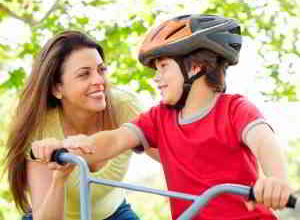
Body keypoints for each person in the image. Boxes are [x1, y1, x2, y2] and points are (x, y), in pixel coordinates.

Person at [32, 15, 293, 220]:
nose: (156, 77)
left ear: (194, 67)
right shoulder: (158, 118)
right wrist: (67, 147)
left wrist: (276, 180)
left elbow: (264, 141)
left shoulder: (234, 109)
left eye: (163, 67)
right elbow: (112, 141)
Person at [4, 30, 160, 220]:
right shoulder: (40, 129)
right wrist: (59, 177)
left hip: (114, 213)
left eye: (101, 70)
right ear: (57, 88)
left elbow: (169, 157)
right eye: (84, 74)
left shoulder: (125, 107)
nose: (99, 81)